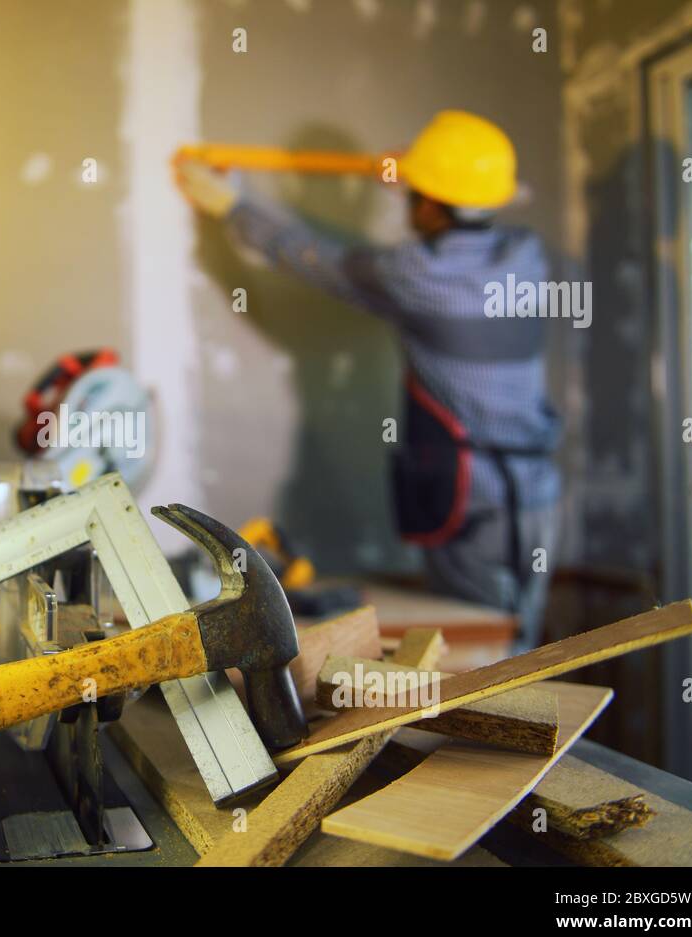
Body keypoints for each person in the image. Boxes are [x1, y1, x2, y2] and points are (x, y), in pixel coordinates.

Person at [176, 110, 561, 649]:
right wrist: (425, 172)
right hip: (537, 492)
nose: (406, 206)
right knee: (517, 638)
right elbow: (478, 198)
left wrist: (231, 204)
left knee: (479, 646)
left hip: (474, 496)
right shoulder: (527, 254)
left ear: (428, 202)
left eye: (412, 196)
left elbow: (314, 260)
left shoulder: (415, 275)